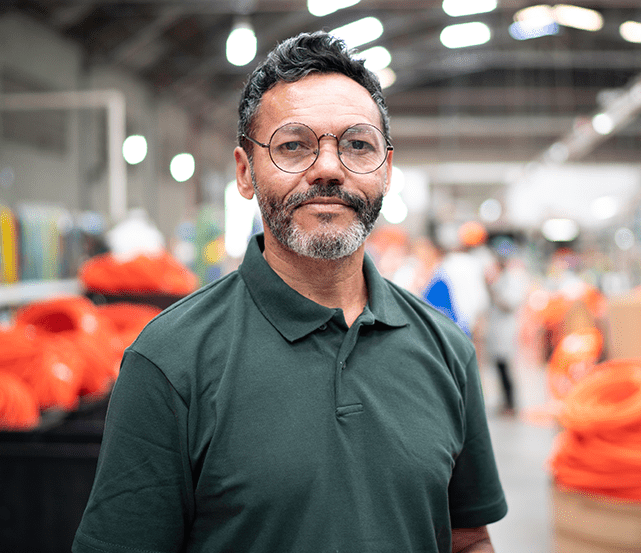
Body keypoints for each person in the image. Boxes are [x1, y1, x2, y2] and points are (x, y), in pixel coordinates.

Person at [73, 31, 507, 553]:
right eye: (294, 145)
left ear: (386, 171)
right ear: (245, 172)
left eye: (357, 144)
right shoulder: (170, 361)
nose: (328, 167)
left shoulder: (446, 350)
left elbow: (466, 541)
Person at [485, 240, 529, 416]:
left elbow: (510, 303)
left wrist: (493, 290)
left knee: (506, 367)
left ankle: (511, 403)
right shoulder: (499, 277)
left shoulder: (514, 278)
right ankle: (504, 401)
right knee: (498, 367)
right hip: (496, 329)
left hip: (507, 329)